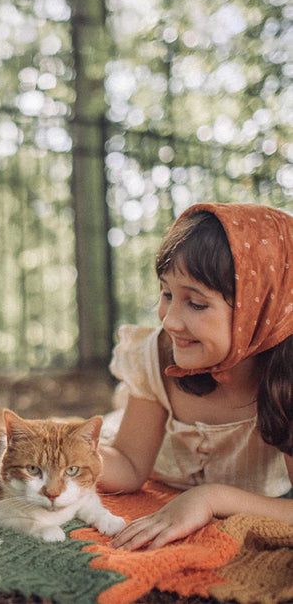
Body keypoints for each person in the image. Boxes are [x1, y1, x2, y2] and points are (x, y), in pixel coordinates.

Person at [99, 202, 293, 550]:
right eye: (167, 293)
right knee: (101, 426)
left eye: (196, 303)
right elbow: (128, 465)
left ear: (262, 306)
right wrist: (57, 456)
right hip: (147, 454)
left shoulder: (287, 381)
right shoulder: (157, 355)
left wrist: (209, 499)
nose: (170, 320)